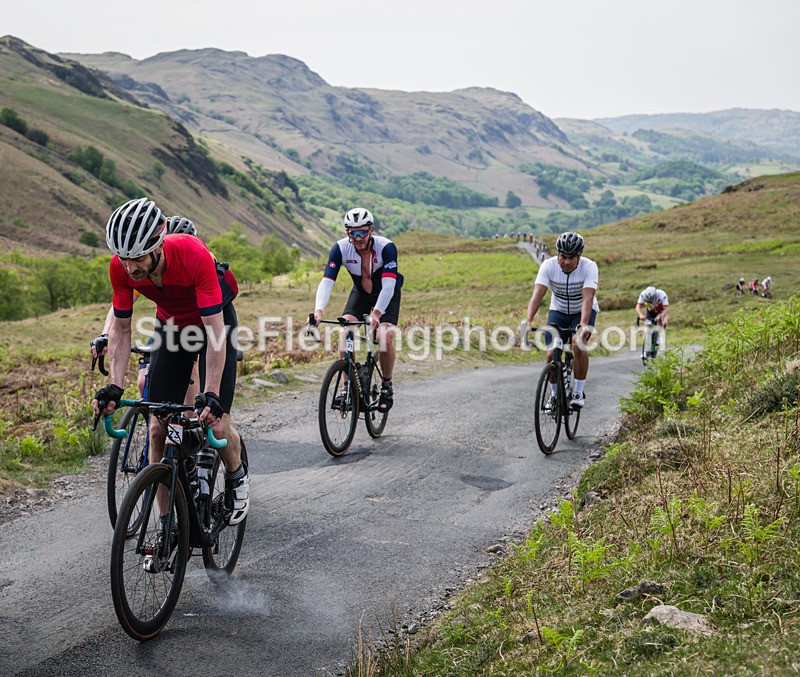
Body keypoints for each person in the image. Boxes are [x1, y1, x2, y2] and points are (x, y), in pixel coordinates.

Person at [91, 198, 249, 526]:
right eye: (123, 258)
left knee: (217, 422)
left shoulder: (192, 254)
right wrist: (115, 386)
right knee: (157, 429)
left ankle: (237, 478)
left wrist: (211, 392)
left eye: (136, 258)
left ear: (158, 246)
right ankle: (168, 524)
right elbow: (121, 326)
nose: (130, 268)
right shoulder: (120, 268)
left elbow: (215, 334)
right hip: (173, 326)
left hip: (213, 325)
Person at [90, 215, 205, 400]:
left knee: (191, 369)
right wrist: (105, 334)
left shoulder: (197, 262)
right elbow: (118, 311)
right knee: (144, 381)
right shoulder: (144, 268)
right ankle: (154, 418)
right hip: (169, 327)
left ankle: (189, 421)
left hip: (198, 325)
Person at [309, 207, 403, 412]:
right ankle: (347, 386)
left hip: (386, 292)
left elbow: (388, 286)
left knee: (385, 336)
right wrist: (318, 311)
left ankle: (387, 385)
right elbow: (327, 281)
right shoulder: (341, 248)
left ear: (371, 230)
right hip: (360, 292)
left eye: (362, 232)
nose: (358, 237)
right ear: (347, 233)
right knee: (346, 331)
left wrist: (377, 314)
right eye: (353, 233)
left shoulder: (386, 247)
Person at [523, 231, 598, 409]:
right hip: (558, 311)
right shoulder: (548, 266)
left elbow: (587, 299)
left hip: (582, 312)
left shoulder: (589, 267)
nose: (566, 262)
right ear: (557, 254)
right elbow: (537, 295)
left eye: (571, 257)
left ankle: (579, 392)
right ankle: (555, 395)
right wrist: (527, 321)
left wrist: (583, 325)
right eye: (563, 256)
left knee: (577, 344)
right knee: (551, 354)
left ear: (579, 257)